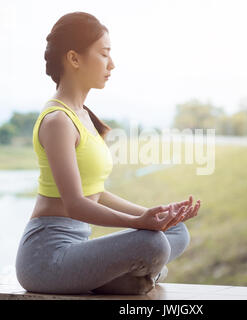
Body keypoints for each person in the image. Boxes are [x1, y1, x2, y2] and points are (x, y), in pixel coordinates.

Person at [15, 11, 201, 295]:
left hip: (76, 249)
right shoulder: (57, 122)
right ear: (74, 59)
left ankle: (123, 280)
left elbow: (96, 193)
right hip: (46, 259)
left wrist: (159, 216)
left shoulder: (83, 116)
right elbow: (76, 204)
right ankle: (133, 279)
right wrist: (139, 223)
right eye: (104, 54)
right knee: (151, 243)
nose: (111, 64)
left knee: (176, 233)